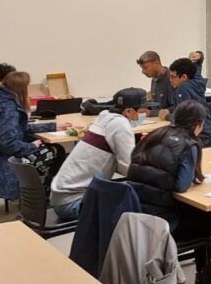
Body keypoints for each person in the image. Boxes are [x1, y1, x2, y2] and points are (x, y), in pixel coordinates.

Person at [127, 100, 211, 284]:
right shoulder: (188, 144)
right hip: (162, 224)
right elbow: (181, 186)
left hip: (136, 214)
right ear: (198, 125)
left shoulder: (154, 134)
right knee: (203, 216)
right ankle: (204, 279)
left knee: (197, 210)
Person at [50, 88, 155, 220]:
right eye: (143, 111)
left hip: (63, 198)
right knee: (141, 204)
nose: (146, 114)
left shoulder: (105, 117)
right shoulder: (120, 124)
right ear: (129, 111)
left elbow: (115, 163)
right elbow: (129, 169)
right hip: (74, 203)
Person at [0, 71, 71, 200]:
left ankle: (40, 195)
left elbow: (16, 128)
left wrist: (51, 126)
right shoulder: (8, 108)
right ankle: (39, 197)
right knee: (55, 151)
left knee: (54, 149)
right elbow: (7, 143)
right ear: (22, 89)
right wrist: (30, 146)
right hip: (0, 160)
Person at [167, 57, 211, 140]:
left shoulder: (183, 88)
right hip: (206, 132)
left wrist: (166, 116)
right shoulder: (195, 84)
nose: (170, 80)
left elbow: (183, 117)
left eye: (173, 77)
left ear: (184, 77)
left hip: (198, 136)